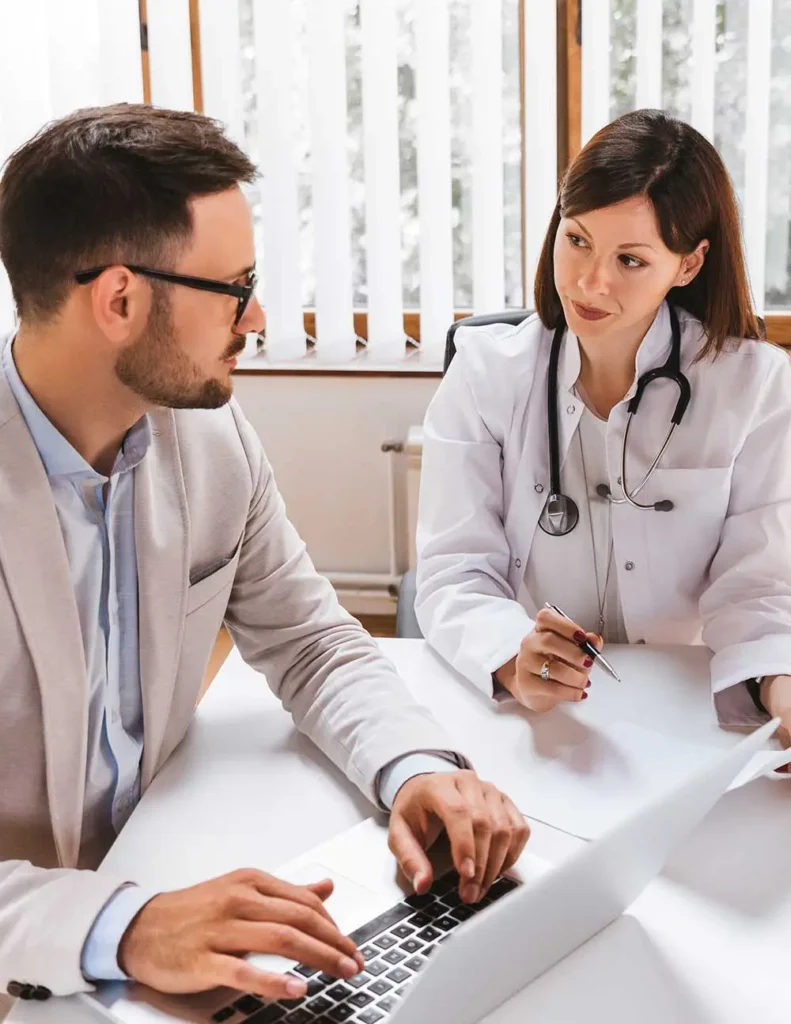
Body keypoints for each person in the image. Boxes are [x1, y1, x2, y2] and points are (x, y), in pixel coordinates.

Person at [0, 105, 529, 1008]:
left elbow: (311, 640)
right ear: (119, 299)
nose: (260, 315)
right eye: (235, 287)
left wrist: (415, 768)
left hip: (176, 886)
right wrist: (121, 926)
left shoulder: (209, 439)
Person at [415, 109, 791, 757]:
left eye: (630, 259)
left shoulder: (753, 386)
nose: (590, 281)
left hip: (685, 711)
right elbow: (455, 569)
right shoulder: (485, 375)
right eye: (577, 239)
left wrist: (776, 684)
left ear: (688, 264)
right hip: (538, 719)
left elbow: (759, 585)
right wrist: (508, 653)